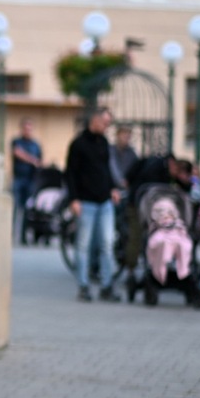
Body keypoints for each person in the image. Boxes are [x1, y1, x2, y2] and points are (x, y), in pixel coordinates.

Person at [65, 107, 121, 302]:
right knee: (83, 246)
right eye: (105, 123)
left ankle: (107, 286)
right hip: (85, 202)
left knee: (107, 244)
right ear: (94, 121)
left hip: (104, 201)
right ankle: (83, 286)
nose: (107, 127)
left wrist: (112, 188)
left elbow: (106, 169)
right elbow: (70, 173)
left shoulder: (104, 143)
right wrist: (73, 199)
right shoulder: (78, 144)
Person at [146, 196, 193, 285]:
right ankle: (159, 271)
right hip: (162, 238)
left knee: (183, 245)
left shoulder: (177, 223)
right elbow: (152, 242)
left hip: (176, 237)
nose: (165, 214)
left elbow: (183, 232)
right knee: (162, 244)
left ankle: (184, 272)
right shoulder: (156, 227)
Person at [10, 118, 43, 244]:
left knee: (27, 210)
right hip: (19, 178)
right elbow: (18, 153)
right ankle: (12, 235)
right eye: (25, 128)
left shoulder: (36, 145)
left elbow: (39, 161)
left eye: (30, 128)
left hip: (30, 180)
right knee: (15, 208)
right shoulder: (17, 142)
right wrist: (31, 160)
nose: (28, 131)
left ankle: (24, 236)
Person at [109, 124, 139, 191]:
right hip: (112, 187)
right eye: (124, 134)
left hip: (127, 188)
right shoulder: (111, 150)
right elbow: (112, 167)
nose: (126, 137)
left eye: (128, 136)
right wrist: (120, 181)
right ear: (118, 135)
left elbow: (135, 168)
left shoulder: (131, 153)